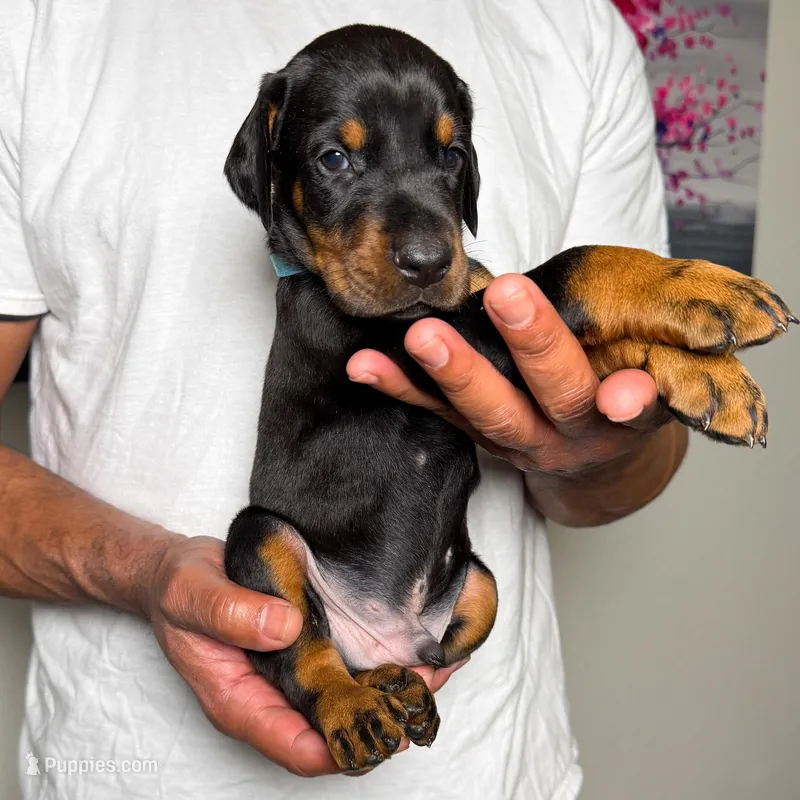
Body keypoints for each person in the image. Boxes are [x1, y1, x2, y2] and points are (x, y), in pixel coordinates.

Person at [0, 1, 687, 798]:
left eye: (448, 159)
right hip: (129, 770)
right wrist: (144, 572)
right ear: (269, 174)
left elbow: (639, 462)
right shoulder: (39, 23)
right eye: (336, 159)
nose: (428, 247)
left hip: (489, 767)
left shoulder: (571, 27)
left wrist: (590, 446)